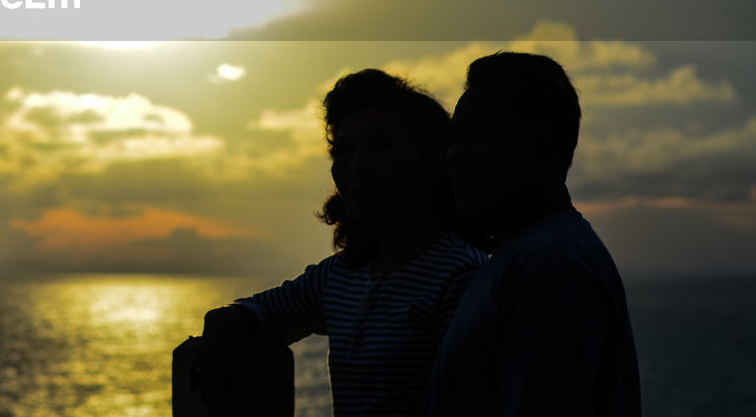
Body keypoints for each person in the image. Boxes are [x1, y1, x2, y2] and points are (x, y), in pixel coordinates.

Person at [197, 69, 487, 417]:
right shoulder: (340, 277)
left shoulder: (462, 278)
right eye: (344, 151)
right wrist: (226, 322)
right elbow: (264, 313)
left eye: (379, 148)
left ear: (432, 163)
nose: (357, 167)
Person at [425, 52, 640, 417]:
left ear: (539, 146)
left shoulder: (550, 264)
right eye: (454, 139)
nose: (455, 157)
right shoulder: (526, 255)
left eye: (478, 137)